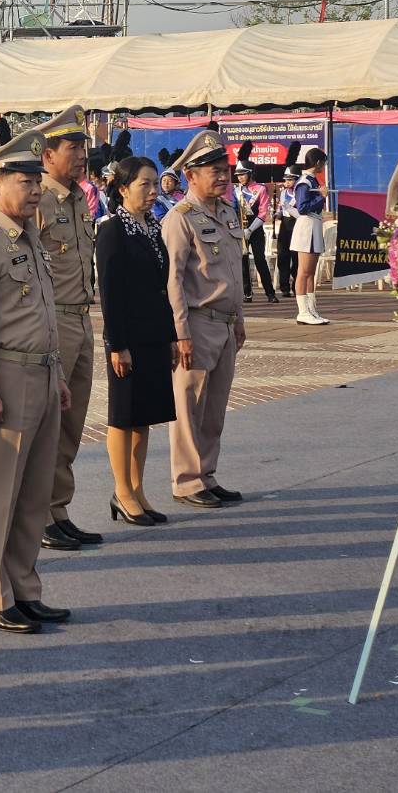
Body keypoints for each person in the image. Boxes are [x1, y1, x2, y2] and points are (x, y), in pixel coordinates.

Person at [0, 122, 72, 634]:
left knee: (32, 493)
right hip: (4, 376)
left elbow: (45, 315)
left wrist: (59, 375)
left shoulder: (30, 238)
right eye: (24, 182)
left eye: (36, 181)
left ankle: (24, 586)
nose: (34, 190)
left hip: (42, 375)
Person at [163, 129, 247, 510]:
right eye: (212, 170)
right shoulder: (179, 219)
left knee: (214, 408)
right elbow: (174, 281)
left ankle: (207, 474)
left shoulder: (228, 212)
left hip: (226, 322)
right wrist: (180, 333)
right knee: (189, 407)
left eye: (224, 169)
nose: (222, 176)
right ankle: (186, 480)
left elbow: (235, 271)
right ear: (190, 176)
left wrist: (240, 319)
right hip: (196, 323)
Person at [32, 104, 102, 552]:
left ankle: (59, 508)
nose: (80, 155)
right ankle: (39, 514)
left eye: (82, 147)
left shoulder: (79, 197)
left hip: (81, 315)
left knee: (72, 423)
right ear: (47, 154)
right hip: (53, 318)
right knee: (49, 423)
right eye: (72, 148)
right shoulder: (36, 199)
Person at [97, 156, 177, 526]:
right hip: (127, 337)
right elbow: (111, 292)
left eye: (154, 183)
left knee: (144, 416)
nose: (151, 191)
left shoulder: (152, 227)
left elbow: (162, 288)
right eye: (143, 184)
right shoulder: (113, 229)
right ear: (123, 188)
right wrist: (117, 344)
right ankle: (122, 491)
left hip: (153, 335)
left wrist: (171, 336)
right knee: (123, 416)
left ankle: (138, 488)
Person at [291, 147, 330, 325]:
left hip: (314, 225)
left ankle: (311, 309)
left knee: (311, 273)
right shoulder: (304, 181)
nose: (324, 167)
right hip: (306, 227)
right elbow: (302, 207)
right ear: (318, 163)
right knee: (303, 272)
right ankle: (302, 311)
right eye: (323, 163)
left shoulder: (312, 180)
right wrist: (321, 197)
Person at [232, 156, 278, 303]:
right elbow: (232, 211)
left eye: (242, 174)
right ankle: (247, 293)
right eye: (238, 175)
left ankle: (270, 293)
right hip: (240, 229)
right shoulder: (235, 191)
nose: (239, 177)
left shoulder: (261, 189)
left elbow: (263, 213)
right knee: (242, 262)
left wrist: (250, 230)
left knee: (260, 260)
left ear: (250, 173)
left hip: (255, 228)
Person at [275, 165, 299, 300]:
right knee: (283, 256)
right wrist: (277, 214)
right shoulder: (284, 192)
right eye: (285, 180)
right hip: (285, 225)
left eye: (290, 180)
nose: (286, 183)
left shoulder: (299, 192)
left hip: (296, 224)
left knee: (296, 257)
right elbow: (281, 208)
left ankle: (297, 286)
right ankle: (284, 287)